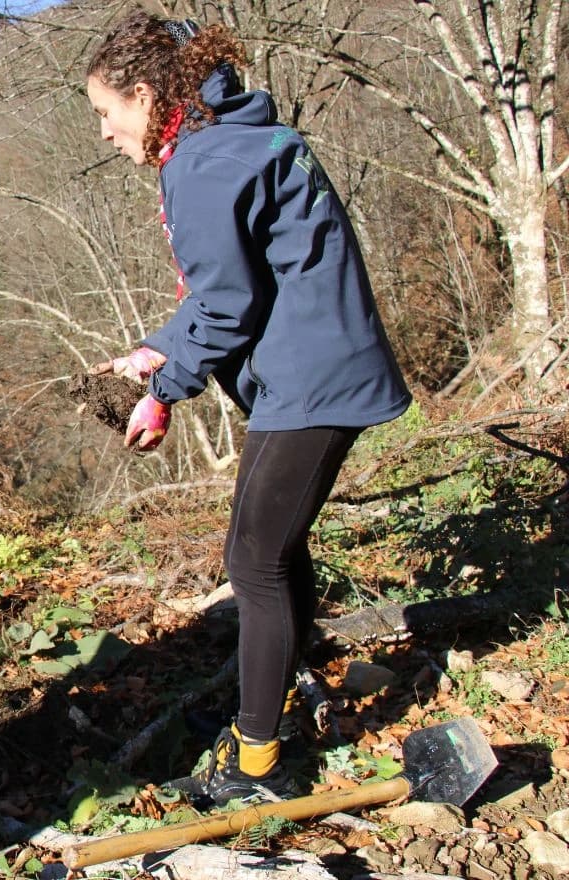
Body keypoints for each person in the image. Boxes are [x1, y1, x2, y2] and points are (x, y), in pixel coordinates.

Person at [85, 13, 411, 805]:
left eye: (106, 112)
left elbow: (227, 304)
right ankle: (269, 704)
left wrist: (162, 390)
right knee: (273, 548)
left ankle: (257, 761)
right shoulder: (231, 138)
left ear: (145, 96)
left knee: (255, 559)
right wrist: (156, 350)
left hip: (314, 377)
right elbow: (241, 282)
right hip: (313, 363)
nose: (104, 132)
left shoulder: (201, 165)